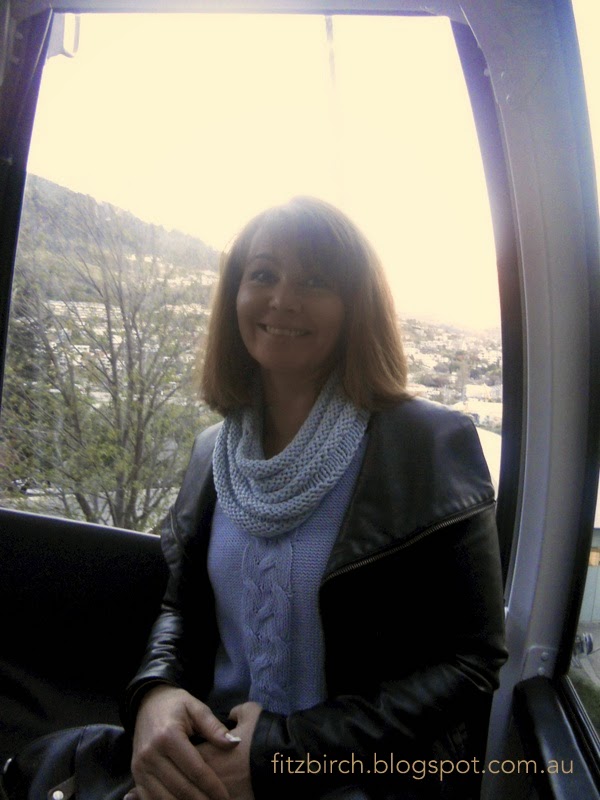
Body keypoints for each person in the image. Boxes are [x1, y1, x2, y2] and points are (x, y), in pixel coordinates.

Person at [121, 196, 507, 800]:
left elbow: (472, 661)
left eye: (315, 281)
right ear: (235, 295)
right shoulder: (212, 453)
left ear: (356, 306)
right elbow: (184, 609)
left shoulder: (427, 444)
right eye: (263, 274)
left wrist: (283, 753)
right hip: (210, 773)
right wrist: (155, 692)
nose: (282, 299)